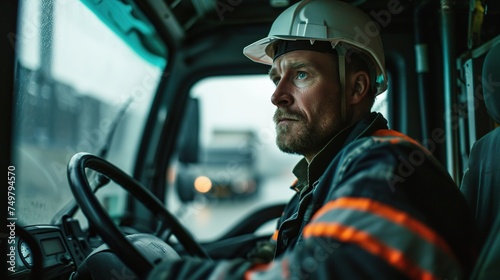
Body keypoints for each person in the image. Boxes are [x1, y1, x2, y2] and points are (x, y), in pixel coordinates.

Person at [149, 0, 478, 278]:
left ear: (356, 88)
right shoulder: (321, 180)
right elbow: (277, 254)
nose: (278, 96)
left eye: (301, 74)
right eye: (277, 78)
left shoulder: (385, 163)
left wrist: (167, 274)